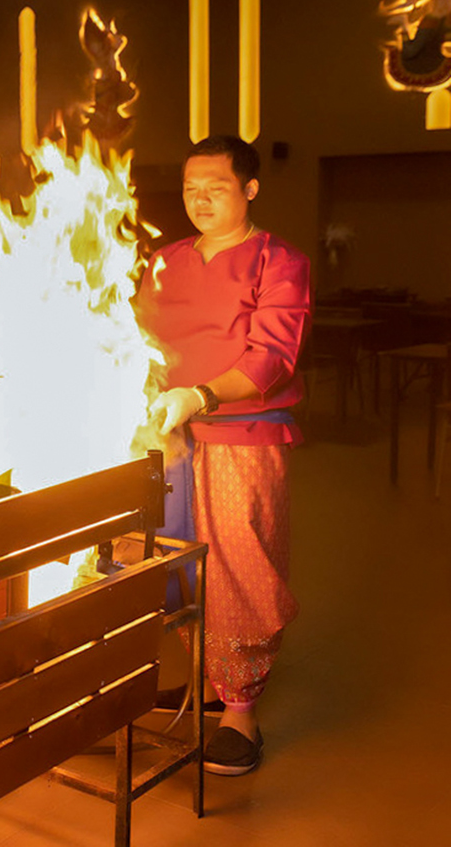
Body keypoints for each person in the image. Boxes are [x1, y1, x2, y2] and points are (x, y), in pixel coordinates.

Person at [139, 135, 310, 777]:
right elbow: (137, 332)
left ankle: (241, 710)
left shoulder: (278, 260)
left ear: (250, 189)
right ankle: (196, 675)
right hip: (166, 436)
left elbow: (273, 355)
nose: (200, 198)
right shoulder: (165, 261)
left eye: (215, 186)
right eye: (190, 188)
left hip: (242, 433)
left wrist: (201, 394)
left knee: (240, 562)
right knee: (167, 557)